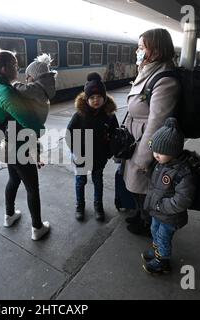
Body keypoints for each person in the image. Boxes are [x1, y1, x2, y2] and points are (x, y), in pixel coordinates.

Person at [0, 49, 50, 241]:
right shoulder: (4, 91)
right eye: (14, 65)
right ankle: (37, 228)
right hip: (19, 147)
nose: (17, 68)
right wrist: (39, 131)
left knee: (14, 180)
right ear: (3, 69)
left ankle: (9, 215)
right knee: (32, 188)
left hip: (11, 144)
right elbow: (26, 119)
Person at [123, 28, 181, 236]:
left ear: (155, 50)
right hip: (135, 136)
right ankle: (140, 215)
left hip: (147, 143)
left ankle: (147, 223)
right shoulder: (149, 69)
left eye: (141, 47)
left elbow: (157, 122)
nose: (137, 51)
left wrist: (144, 158)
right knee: (137, 186)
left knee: (147, 187)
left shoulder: (164, 78)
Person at [141, 117, 198, 274]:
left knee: (163, 237)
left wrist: (161, 205)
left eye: (162, 152)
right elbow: (157, 185)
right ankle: (157, 251)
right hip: (158, 212)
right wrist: (148, 174)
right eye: (155, 151)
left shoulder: (182, 173)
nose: (156, 155)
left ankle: (162, 261)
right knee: (155, 231)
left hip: (170, 216)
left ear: (174, 152)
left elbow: (183, 200)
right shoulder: (162, 165)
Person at [66, 72, 119, 221]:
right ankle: (80, 206)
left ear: (104, 98)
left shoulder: (109, 115)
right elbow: (69, 133)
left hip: (99, 156)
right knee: (80, 181)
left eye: (99, 97)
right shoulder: (79, 115)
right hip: (82, 155)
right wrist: (75, 151)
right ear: (86, 99)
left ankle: (98, 206)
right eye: (92, 98)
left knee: (98, 181)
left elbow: (115, 134)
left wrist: (109, 152)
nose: (96, 100)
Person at [13, 53, 57, 125]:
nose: (26, 79)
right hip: (40, 118)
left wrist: (15, 84)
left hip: (36, 119)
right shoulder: (44, 87)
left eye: (28, 76)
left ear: (35, 76)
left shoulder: (36, 89)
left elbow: (24, 89)